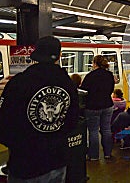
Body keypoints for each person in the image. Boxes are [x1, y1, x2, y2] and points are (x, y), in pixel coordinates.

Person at [0, 36, 79, 182]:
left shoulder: (18, 83)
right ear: (60, 55)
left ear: (36, 54)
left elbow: (4, 122)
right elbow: (73, 121)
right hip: (57, 160)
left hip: (25, 163)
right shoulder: (68, 84)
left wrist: (16, 146)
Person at [80, 55, 115, 161]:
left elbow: (84, 91)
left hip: (93, 107)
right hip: (107, 105)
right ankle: (108, 154)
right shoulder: (109, 75)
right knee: (106, 129)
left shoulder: (90, 76)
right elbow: (111, 90)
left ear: (95, 63)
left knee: (93, 131)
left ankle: (94, 156)